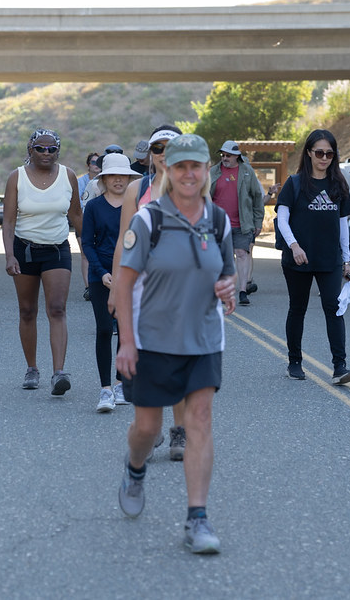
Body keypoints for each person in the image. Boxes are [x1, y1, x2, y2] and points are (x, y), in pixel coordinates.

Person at [114, 133, 236, 555]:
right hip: (152, 341)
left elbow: (225, 276)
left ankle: (197, 519)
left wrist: (228, 290)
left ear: (206, 171)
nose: (188, 173)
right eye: (180, 165)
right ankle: (134, 469)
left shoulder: (217, 221)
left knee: (199, 419)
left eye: (196, 166)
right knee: (146, 429)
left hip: (203, 339)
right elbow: (126, 284)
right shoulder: (149, 220)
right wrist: (126, 343)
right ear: (168, 169)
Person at [110, 123, 188, 460]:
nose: (163, 156)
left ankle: (179, 433)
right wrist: (115, 289)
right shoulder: (136, 190)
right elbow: (124, 242)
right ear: (150, 155)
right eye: (158, 149)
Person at [3, 128, 84, 396]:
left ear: (58, 151)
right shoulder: (17, 177)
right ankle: (31, 368)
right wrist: (9, 255)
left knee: (57, 308)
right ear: (31, 150)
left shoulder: (68, 175)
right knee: (27, 311)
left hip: (57, 249)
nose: (46, 153)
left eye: (52, 149)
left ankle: (59, 372)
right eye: (40, 148)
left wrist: (92, 250)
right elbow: (9, 220)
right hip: (24, 249)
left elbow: (76, 216)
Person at [274, 129, 350, 385]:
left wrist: (346, 260)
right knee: (298, 309)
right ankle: (294, 361)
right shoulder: (295, 183)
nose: (324, 158)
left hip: (329, 259)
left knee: (334, 309)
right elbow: (283, 220)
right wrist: (295, 246)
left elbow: (343, 225)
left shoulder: (338, 185)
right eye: (319, 152)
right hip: (298, 258)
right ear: (309, 153)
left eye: (329, 153)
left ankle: (339, 367)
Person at [81, 152, 141, 412]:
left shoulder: (137, 205)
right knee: (105, 328)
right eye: (112, 176)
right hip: (100, 275)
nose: (118, 180)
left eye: (122, 175)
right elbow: (87, 243)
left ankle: (120, 384)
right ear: (104, 180)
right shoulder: (93, 207)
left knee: (126, 330)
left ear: (129, 178)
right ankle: (105, 389)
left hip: (129, 274)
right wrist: (102, 272)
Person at [210, 140, 264, 306]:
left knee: (242, 254)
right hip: (218, 224)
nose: (225, 158)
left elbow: (257, 198)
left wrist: (258, 221)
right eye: (223, 155)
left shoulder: (247, 172)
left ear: (236, 156)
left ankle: (242, 290)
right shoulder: (213, 172)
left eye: (228, 155)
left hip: (242, 223)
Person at [77, 151, 102, 302]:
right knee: (85, 254)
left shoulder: (105, 180)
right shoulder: (81, 181)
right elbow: (77, 202)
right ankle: (89, 288)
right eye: (93, 162)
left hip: (100, 222)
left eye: (98, 163)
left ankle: (100, 283)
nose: (96, 165)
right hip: (83, 220)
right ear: (88, 165)